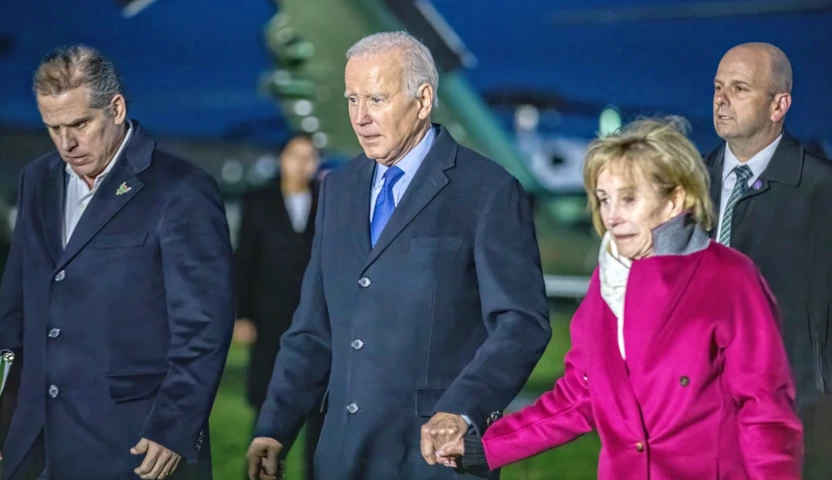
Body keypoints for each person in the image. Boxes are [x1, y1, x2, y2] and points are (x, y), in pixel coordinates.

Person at [246, 31, 551, 480]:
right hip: (339, 458)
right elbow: (313, 327)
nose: (360, 117)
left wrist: (462, 410)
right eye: (352, 99)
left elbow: (521, 325)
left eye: (376, 99)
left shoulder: (488, 191)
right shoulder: (338, 189)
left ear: (423, 99)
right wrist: (273, 427)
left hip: (433, 460)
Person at [436, 118, 803, 479]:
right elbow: (578, 398)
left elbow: (765, 413)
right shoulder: (607, 282)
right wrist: (483, 448)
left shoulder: (730, 278)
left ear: (676, 199)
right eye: (604, 199)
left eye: (628, 199)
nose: (611, 216)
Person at [0, 44, 234, 480]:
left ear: (117, 108)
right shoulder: (37, 179)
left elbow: (204, 325)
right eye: (53, 128)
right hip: (34, 443)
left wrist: (175, 427)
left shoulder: (182, 190)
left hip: (135, 446)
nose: (67, 143)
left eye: (80, 124)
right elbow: (16, 305)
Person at [705, 42, 832, 477]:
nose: (722, 99)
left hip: (794, 415)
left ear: (780, 105)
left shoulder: (822, 192)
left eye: (739, 88)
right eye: (718, 87)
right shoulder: (685, 185)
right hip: (695, 413)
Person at [233, 133, 322, 479]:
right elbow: (244, 260)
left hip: (315, 319)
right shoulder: (259, 200)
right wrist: (242, 314)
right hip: (269, 317)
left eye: (310, 156)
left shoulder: (326, 199)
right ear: (282, 158)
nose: (303, 163)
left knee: (319, 409)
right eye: (296, 155)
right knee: (268, 403)